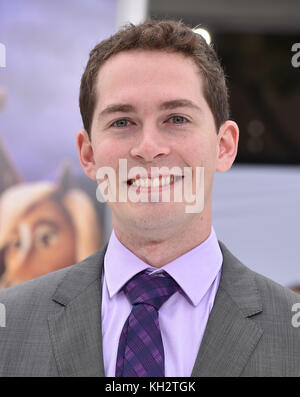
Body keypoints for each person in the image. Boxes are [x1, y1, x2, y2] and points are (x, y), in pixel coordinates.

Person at [0, 19, 299, 377]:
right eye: (122, 122)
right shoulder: (10, 327)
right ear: (88, 155)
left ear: (224, 146)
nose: (148, 149)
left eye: (176, 118)